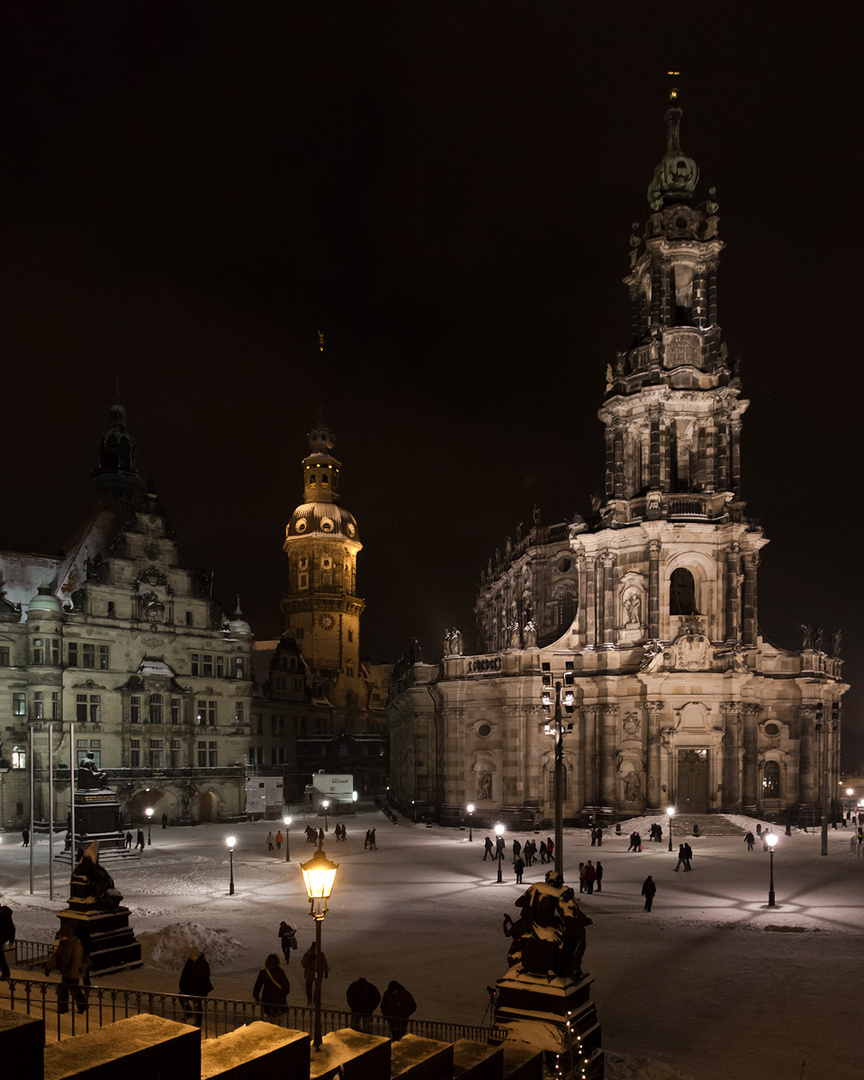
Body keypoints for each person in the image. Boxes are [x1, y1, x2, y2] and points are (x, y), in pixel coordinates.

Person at [44, 924, 89, 1013]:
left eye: (62, 937)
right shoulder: (62, 944)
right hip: (66, 971)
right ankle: (80, 1006)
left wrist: (71, 974)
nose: (61, 939)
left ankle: (69, 1008)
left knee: (68, 989)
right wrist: (48, 968)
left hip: (73, 972)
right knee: (72, 990)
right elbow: (56, 957)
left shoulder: (76, 945)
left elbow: (76, 960)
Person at [178, 948, 213, 1026]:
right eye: (191, 956)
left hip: (199, 988)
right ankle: (189, 1013)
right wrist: (182, 984)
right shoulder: (190, 962)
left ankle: (198, 1022)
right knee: (181, 997)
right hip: (189, 987)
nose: (192, 958)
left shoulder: (203, 964)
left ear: (198, 955)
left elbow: (204, 978)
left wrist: (201, 990)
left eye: (193, 956)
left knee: (197, 1004)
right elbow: (184, 974)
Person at [0, 904, 15, 979]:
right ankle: (5, 973)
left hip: (3, 936)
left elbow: (11, 928)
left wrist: (11, 940)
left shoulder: (6, 914)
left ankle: (6, 973)